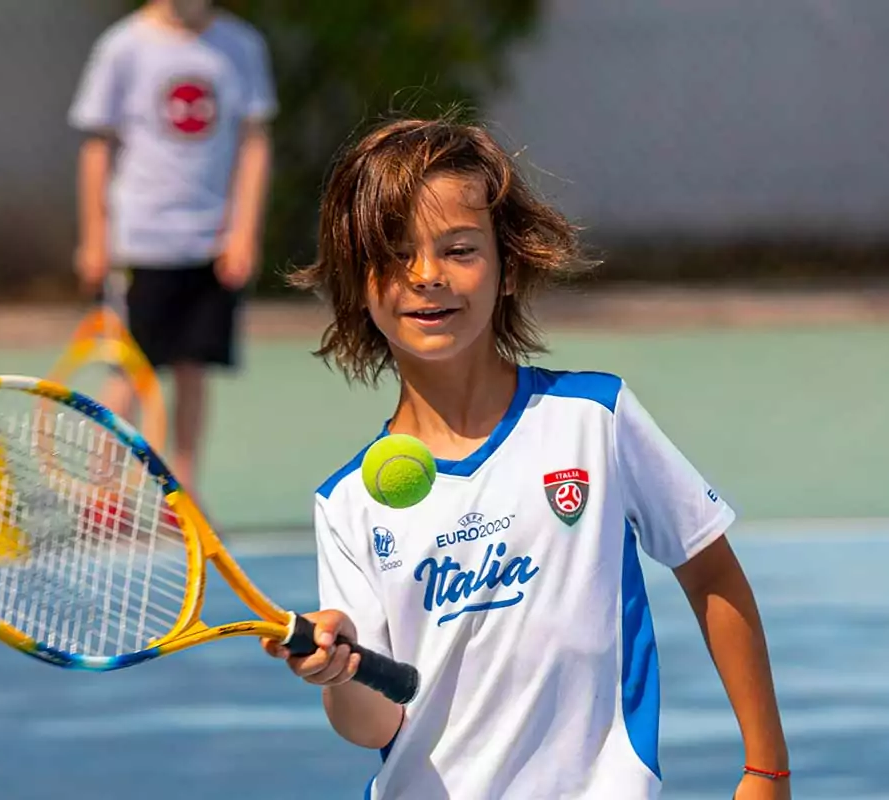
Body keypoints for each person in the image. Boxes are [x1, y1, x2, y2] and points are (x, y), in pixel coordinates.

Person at [265, 117, 791, 800]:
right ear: (361, 286)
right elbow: (376, 723)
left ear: (508, 267)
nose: (427, 276)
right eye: (396, 255)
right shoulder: (348, 504)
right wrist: (342, 671)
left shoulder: (594, 419)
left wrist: (766, 767)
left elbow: (712, 573)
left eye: (458, 249)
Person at [69, 0, 276, 493]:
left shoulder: (241, 46)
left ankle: (181, 496)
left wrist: (244, 231)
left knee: (193, 368)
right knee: (128, 371)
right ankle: (104, 494)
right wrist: (95, 237)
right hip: (140, 243)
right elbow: (97, 146)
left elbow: (254, 142)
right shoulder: (123, 46)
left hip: (210, 242)